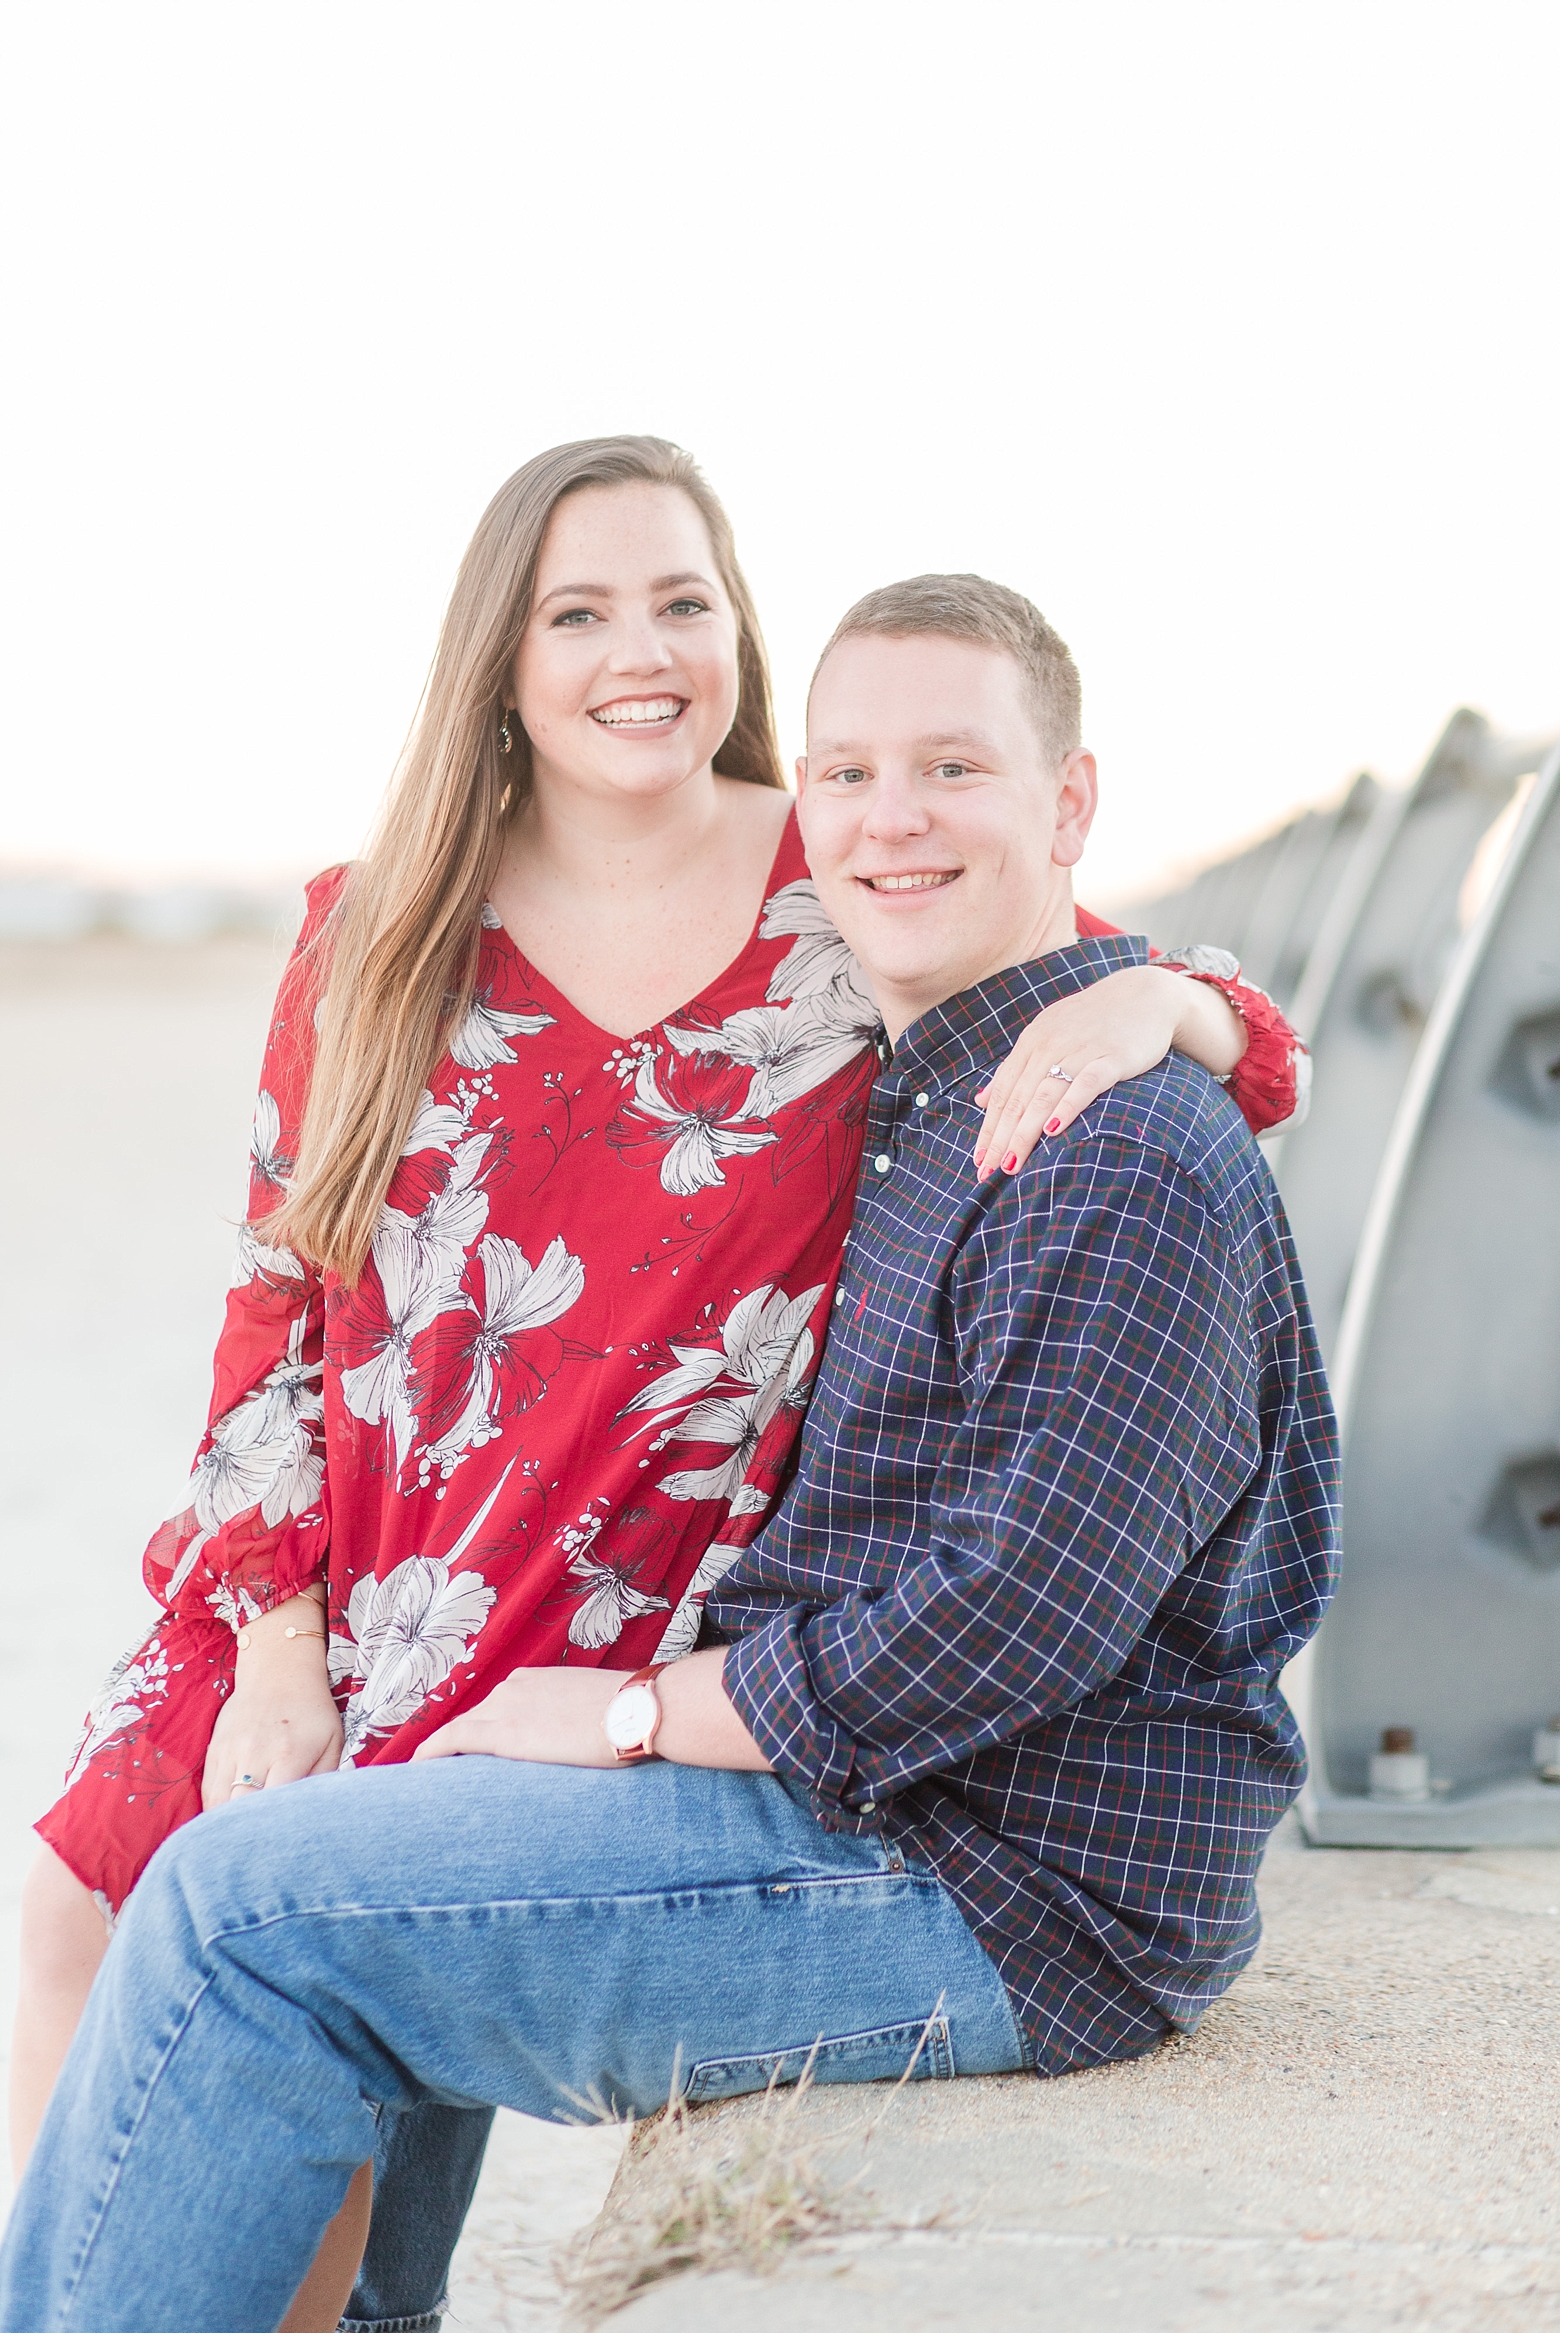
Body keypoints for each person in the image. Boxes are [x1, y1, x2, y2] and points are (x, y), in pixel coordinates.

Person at [14, 442, 1303, 2333]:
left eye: (683, 601)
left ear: (738, 630)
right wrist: (274, 1638)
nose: (643, 648)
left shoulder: (839, 875)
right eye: (581, 609)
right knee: (84, 1898)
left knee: (269, 1941)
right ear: (502, 657)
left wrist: (1178, 1003)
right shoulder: (383, 916)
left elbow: (1090, 993)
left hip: (644, 1596)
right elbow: (274, 1292)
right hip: (363, 1559)